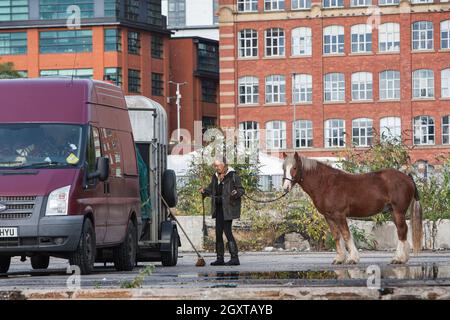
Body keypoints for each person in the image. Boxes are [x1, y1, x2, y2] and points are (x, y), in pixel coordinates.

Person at [200, 157, 245, 266]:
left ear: (224, 165)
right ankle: (220, 258)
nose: (216, 168)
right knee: (218, 233)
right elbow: (212, 189)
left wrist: (236, 192)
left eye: (218, 166)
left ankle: (235, 258)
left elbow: (241, 190)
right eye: (214, 166)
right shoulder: (215, 177)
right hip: (218, 208)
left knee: (227, 232)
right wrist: (204, 191)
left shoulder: (233, 175)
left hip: (228, 209)